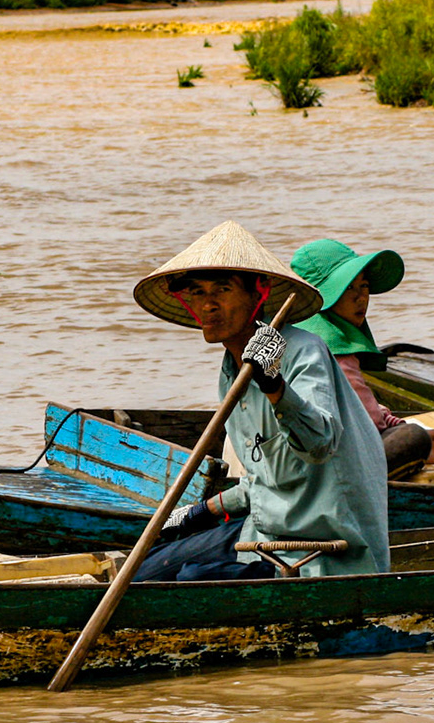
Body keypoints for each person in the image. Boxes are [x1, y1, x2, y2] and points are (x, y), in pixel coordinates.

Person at [131, 221, 390, 581]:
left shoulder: (302, 352)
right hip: (263, 535)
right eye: (197, 293)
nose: (208, 305)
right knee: (145, 571)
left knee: (189, 581)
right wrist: (200, 512)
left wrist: (275, 385)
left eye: (222, 290)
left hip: (320, 549)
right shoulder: (231, 373)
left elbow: (319, 444)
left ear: (259, 295)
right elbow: (264, 480)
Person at [289, 237, 434, 478]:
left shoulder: (295, 337)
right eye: (347, 288)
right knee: (414, 438)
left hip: (313, 457)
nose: (361, 298)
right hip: (331, 468)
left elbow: (362, 408)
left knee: (410, 432)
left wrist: (395, 423)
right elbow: (367, 424)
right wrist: (419, 442)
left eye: (363, 286)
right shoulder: (332, 350)